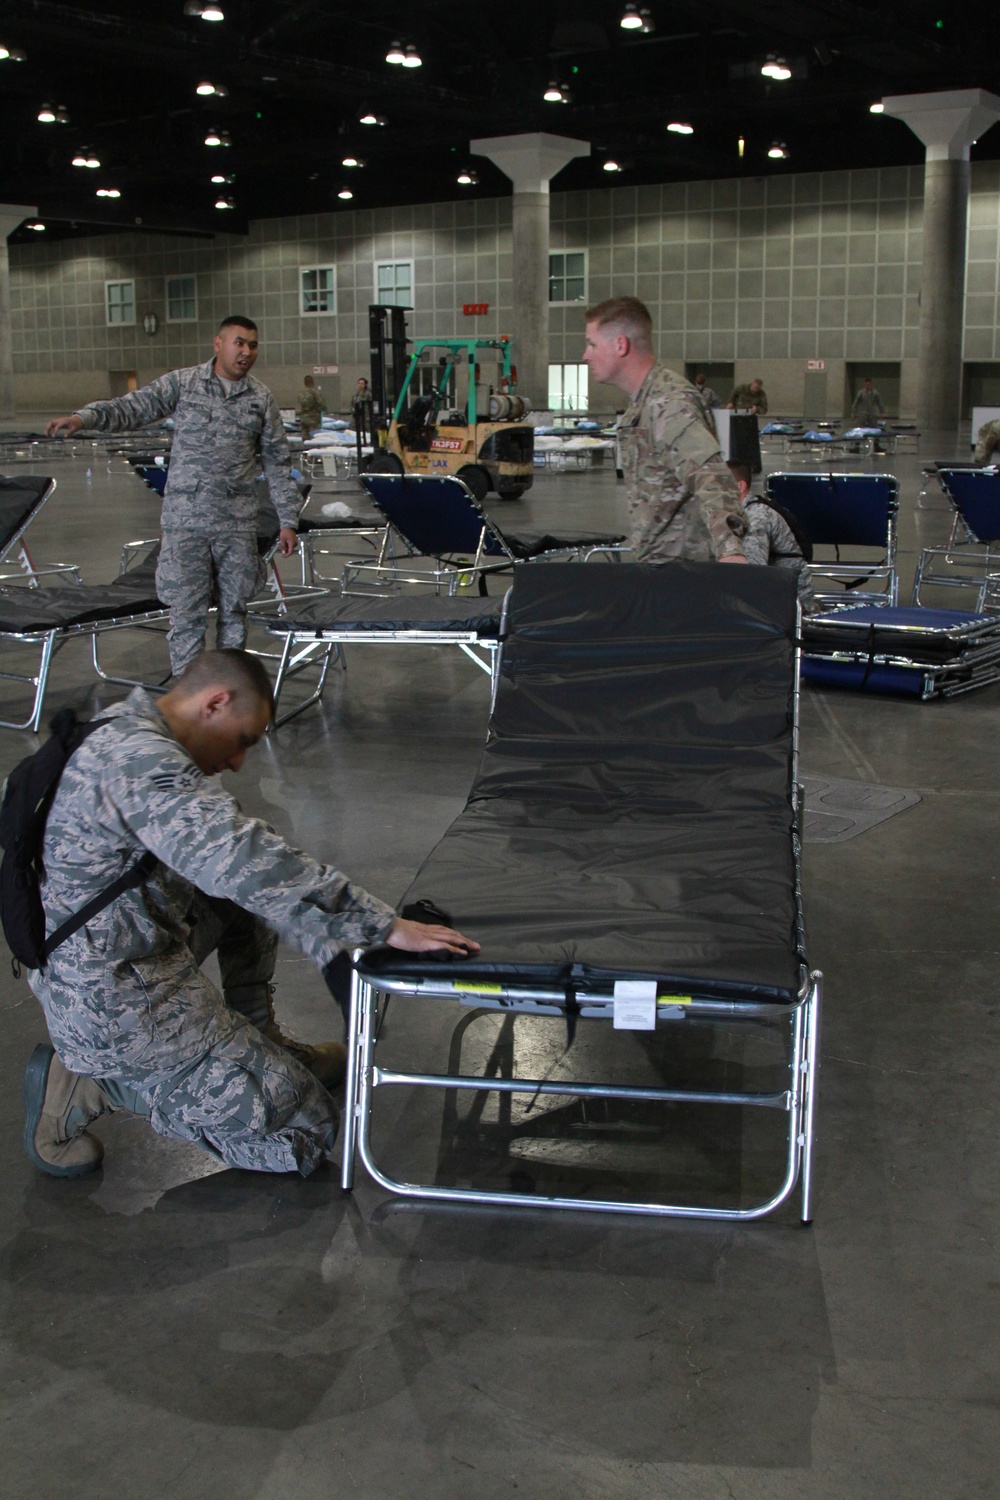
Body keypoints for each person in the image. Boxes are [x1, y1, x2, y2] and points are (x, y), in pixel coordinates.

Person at [21, 649, 478, 1180]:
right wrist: (384, 926)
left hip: (112, 951)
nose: (238, 763)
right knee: (307, 1130)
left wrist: (333, 936)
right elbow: (246, 861)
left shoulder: (124, 728)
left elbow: (244, 868)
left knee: (245, 904)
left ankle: (259, 1040)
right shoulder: (140, 762)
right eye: (243, 741)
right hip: (114, 1001)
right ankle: (93, 1083)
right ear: (216, 703)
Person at [45, 316, 301, 678]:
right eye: (239, 343)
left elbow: (278, 463)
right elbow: (132, 407)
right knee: (186, 614)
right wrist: (84, 418)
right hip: (187, 524)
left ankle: (226, 693)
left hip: (236, 525)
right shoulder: (185, 383)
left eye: (253, 345)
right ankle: (188, 695)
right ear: (219, 344)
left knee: (235, 612)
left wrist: (288, 520)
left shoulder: (260, 399)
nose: (246, 352)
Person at [582, 296, 748, 564]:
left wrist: (731, 553)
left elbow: (713, 479)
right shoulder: (645, 402)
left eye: (592, 344)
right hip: (660, 568)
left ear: (620, 344)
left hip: (684, 573)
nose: (586, 354)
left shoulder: (667, 404)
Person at [727, 461, 817, 612]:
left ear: (739, 487)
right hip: (774, 592)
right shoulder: (741, 513)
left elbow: (753, 571)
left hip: (788, 600)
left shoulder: (756, 517)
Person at [298, 374, 327, 439]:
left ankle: (304, 448)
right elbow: (321, 403)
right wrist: (324, 409)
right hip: (314, 420)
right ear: (312, 382)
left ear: (305, 382)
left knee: (305, 437)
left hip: (304, 419)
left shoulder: (301, 393)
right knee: (315, 437)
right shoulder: (315, 392)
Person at [353, 376, 374, 444]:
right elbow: (352, 403)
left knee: (367, 430)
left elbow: (371, 405)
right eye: (359, 383)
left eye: (362, 383)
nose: (360, 385)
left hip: (366, 415)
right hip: (357, 415)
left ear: (365, 385)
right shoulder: (355, 394)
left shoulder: (368, 394)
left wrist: (370, 415)